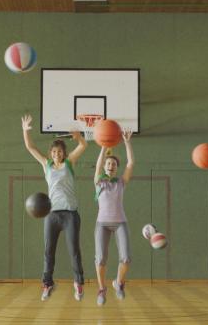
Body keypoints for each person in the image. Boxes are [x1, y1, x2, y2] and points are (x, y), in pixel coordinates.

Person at [21, 114, 87, 301]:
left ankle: (78, 283)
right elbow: (30, 147)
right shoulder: (46, 165)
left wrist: (78, 137)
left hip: (70, 215)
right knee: (48, 251)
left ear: (63, 153)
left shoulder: (69, 163)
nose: (57, 154)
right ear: (51, 154)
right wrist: (26, 130)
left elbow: (83, 146)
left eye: (59, 152)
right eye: (54, 152)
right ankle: (47, 283)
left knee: (74, 250)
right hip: (52, 215)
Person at [93, 129, 133, 306]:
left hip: (120, 223)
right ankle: (102, 290)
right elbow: (98, 165)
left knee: (126, 258)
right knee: (100, 259)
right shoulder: (99, 182)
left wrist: (126, 142)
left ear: (116, 169)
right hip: (102, 224)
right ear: (105, 167)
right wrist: (103, 146)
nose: (111, 166)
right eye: (108, 164)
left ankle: (119, 283)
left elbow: (131, 163)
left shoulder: (121, 183)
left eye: (114, 165)